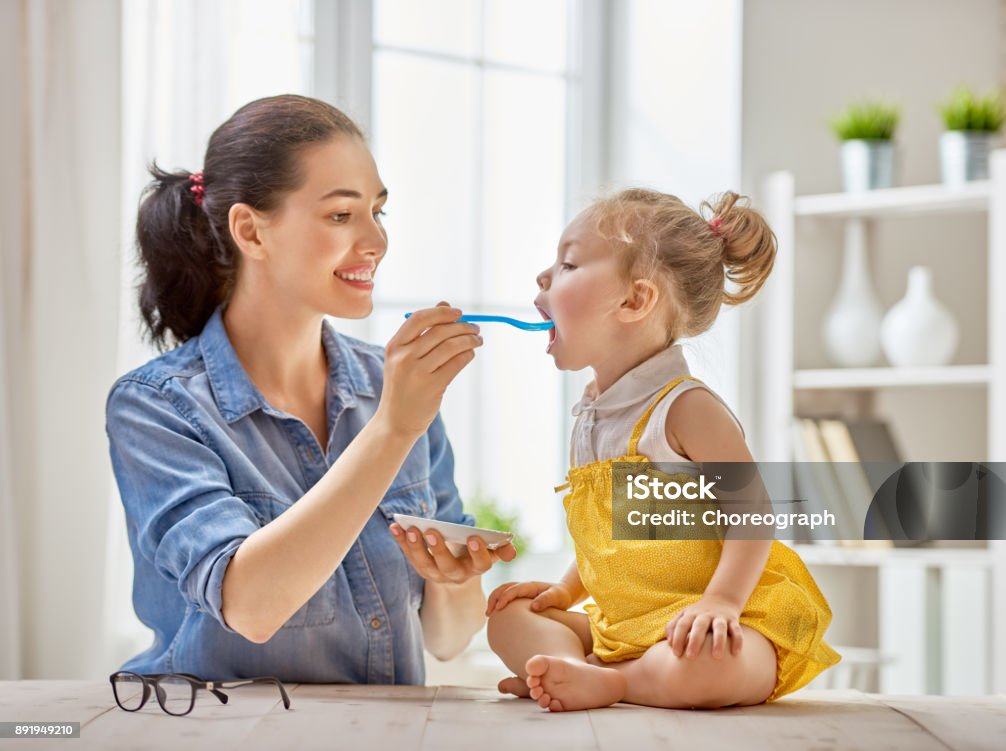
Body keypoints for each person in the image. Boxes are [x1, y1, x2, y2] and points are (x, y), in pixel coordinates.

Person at [105, 94, 514, 683]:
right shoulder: (156, 406)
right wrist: (393, 429)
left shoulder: (391, 386)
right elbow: (250, 606)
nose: (376, 241)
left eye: (379, 211)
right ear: (250, 230)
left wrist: (457, 579)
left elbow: (447, 641)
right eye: (342, 215)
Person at [485, 188, 840, 711]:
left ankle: (615, 683)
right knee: (508, 620)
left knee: (713, 666)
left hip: (704, 624)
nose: (544, 277)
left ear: (634, 301)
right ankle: (578, 674)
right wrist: (564, 593)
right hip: (626, 626)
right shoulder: (593, 416)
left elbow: (753, 514)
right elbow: (614, 534)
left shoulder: (687, 409)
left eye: (568, 263)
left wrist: (721, 603)